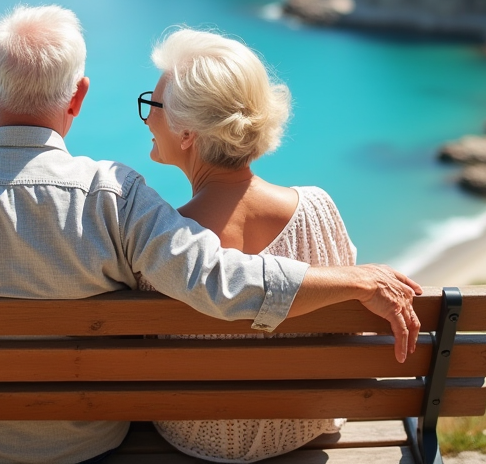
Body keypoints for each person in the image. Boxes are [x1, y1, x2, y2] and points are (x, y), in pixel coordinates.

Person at [0, 4, 421, 464]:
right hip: (82, 445)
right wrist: (351, 279)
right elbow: (221, 281)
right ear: (78, 96)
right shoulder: (116, 195)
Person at [138, 28, 358, 462]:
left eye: (154, 106)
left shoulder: (162, 241)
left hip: (195, 438)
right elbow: (348, 330)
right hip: (305, 425)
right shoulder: (319, 210)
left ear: (187, 135)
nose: (147, 118)